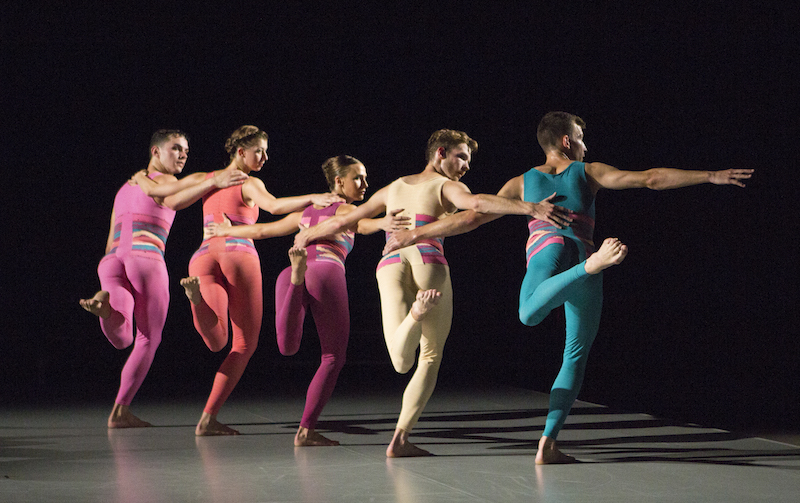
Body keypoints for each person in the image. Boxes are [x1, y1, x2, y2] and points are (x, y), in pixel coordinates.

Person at [382, 111, 754, 464]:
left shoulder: (520, 183)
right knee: (574, 354)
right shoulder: (589, 171)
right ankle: (548, 443)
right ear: (565, 141)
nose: (585, 146)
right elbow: (651, 178)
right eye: (580, 138)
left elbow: (470, 219)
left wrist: (415, 233)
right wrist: (709, 175)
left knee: (529, 315)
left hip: (547, 252)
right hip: (583, 254)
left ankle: (549, 444)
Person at [293, 129, 564, 457]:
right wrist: (530, 208)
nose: (465, 165)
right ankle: (400, 439)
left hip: (388, 262)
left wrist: (305, 237)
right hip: (427, 257)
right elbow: (476, 206)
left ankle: (414, 317)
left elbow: (346, 220)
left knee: (400, 361)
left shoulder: (394, 187)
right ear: (440, 153)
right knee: (430, 356)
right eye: (461, 156)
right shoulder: (447, 186)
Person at [205, 155, 405, 446]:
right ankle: (306, 431)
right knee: (333, 357)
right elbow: (360, 226)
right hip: (326, 270)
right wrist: (383, 221)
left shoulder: (307, 211)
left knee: (287, 348)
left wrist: (226, 230)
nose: (364, 184)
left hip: (289, 272)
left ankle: (298, 277)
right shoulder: (349, 208)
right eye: (358, 178)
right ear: (338, 182)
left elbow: (263, 230)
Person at [179, 126, 344, 436]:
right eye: (260, 151)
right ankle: (208, 418)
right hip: (238, 254)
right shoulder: (249, 181)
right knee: (244, 344)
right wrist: (314, 196)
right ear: (240, 152)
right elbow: (274, 207)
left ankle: (196, 299)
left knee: (216, 341)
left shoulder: (206, 180)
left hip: (201, 255)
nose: (266, 157)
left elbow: (170, 198)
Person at [79, 129, 248, 428]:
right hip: (145, 259)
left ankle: (105, 308)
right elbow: (180, 194)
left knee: (122, 337)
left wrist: (211, 178)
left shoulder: (125, 188)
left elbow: (110, 237)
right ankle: (120, 411)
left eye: (186, 149)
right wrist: (219, 178)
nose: (183, 154)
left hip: (111, 261)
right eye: (176, 148)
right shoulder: (166, 183)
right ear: (155, 152)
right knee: (147, 339)